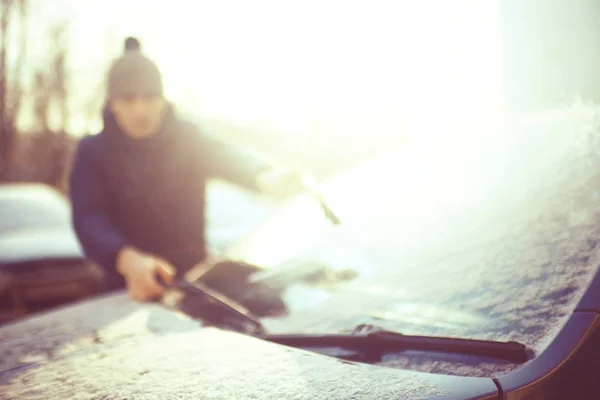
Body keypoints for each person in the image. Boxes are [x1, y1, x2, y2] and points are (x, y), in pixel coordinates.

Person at [70, 37, 307, 302]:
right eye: (128, 99)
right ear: (112, 103)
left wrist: (264, 175)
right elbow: (88, 218)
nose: (140, 109)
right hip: (125, 291)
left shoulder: (188, 139)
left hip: (195, 287)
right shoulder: (92, 152)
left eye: (149, 97)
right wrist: (126, 259)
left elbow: (226, 156)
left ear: (162, 99)